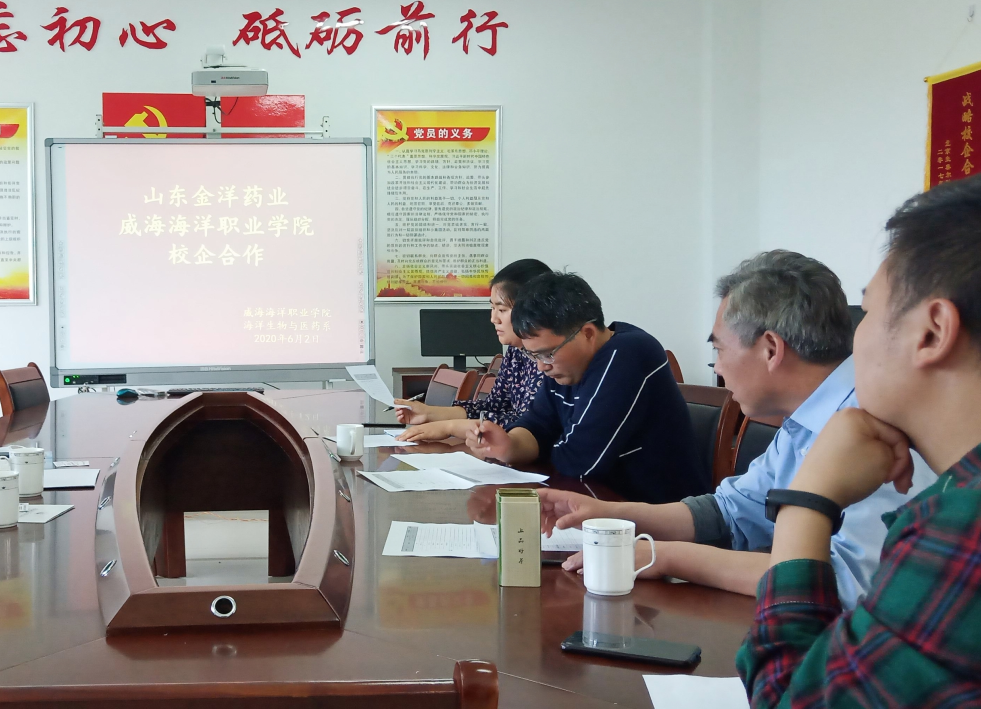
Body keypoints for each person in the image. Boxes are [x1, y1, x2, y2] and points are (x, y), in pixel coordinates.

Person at [737, 167, 981, 707]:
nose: (855, 339)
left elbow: (794, 700)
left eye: (868, 311)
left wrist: (806, 502)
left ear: (931, 332)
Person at [541, 251, 930, 608]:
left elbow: (846, 582)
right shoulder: (804, 416)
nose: (719, 368)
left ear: (771, 349)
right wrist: (610, 513)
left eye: (719, 350)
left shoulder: (877, 427)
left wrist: (666, 556)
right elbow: (731, 512)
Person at [464, 272, 708, 503]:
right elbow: (538, 425)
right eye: (533, 355)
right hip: (600, 506)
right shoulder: (563, 366)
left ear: (588, 334)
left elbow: (579, 462)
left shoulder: (629, 354)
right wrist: (510, 445)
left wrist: (541, 446)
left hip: (657, 517)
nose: (541, 366)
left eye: (547, 354)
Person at [394, 258, 554, 439]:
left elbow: (527, 424)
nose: (493, 319)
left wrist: (450, 427)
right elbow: (493, 407)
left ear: (532, 309)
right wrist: (430, 413)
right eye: (492, 307)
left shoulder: (552, 359)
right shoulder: (516, 352)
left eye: (502, 310)